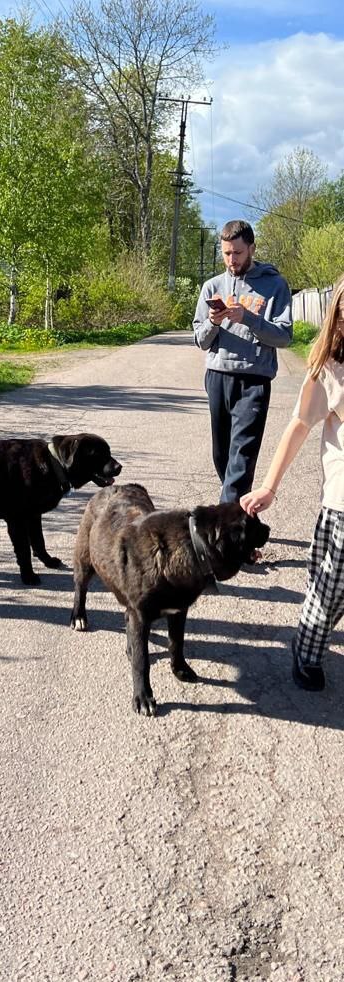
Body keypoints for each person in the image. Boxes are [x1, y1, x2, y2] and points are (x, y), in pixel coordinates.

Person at [240, 274, 344, 691]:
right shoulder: (332, 369)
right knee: (330, 590)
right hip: (343, 505)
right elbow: (300, 424)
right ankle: (309, 648)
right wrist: (269, 485)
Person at [193, 220, 292, 506]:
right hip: (217, 377)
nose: (231, 260)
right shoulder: (212, 286)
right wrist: (213, 323)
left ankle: (225, 526)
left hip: (253, 380)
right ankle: (239, 516)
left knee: (242, 457)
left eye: (237, 253)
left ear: (251, 248)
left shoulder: (274, 285)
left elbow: (284, 337)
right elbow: (200, 341)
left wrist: (247, 317)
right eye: (226, 254)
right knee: (222, 456)